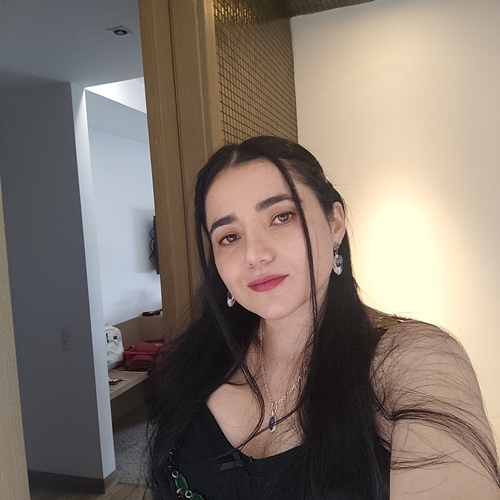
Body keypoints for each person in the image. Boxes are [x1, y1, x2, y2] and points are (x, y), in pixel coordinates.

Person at [146, 136, 500, 499]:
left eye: (281, 217)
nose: (254, 254)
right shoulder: (196, 358)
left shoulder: (412, 358)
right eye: (229, 237)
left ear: (335, 223)